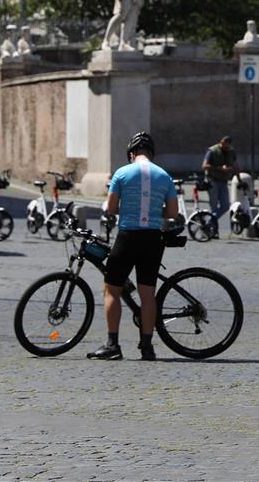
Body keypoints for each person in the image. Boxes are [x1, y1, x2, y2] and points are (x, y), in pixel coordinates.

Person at [87, 132, 178, 362]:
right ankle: (147, 347)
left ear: (131, 153)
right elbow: (172, 213)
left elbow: (110, 208)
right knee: (148, 294)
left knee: (112, 289)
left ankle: (112, 345)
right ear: (152, 153)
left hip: (128, 236)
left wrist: (126, 210)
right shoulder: (164, 176)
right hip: (152, 238)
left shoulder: (122, 173)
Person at [201, 135, 239, 238]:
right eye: (223, 145)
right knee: (213, 207)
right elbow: (204, 165)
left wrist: (239, 180)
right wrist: (219, 168)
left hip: (223, 181)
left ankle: (208, 223)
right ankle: (212, 231)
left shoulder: (231, 152)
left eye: (227, 146)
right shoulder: (212, 150)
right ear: (221, 142)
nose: (225, 147)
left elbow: (236, 166)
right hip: (213, 181)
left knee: (225, 206)